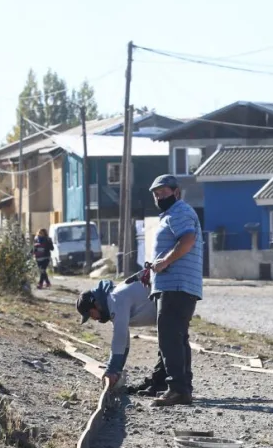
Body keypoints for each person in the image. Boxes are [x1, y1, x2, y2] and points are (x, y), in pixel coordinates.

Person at [148, 174, 204, 407]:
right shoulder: (172, 214)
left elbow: (188, 240)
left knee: (170, 338)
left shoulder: (179, 212)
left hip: (176, 285)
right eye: (156, 194)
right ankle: (182, 389)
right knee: (177, 338)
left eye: (163, 192)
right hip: (176, 285)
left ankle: (177, 389)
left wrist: (164, 263)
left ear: (176, 192)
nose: (160, 197)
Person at [77, 275, 167, 394]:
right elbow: (124, 341)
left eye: (91, 314)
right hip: (166, 304)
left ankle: (174, 388)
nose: (94, 319)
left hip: (170, 299)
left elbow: (120, 336)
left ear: (96, 304)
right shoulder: (113, 301)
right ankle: (160, 383)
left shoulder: (115, 299)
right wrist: (117, 369)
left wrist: (112, 369)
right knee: (167, 345)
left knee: (170, 345)